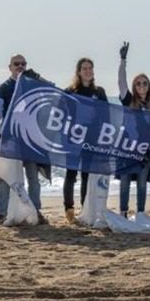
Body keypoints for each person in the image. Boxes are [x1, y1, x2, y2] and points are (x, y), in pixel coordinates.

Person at [0, 54, 49, 225]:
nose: (20, 66)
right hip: (10, 138)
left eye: (23, 64)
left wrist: (37, 77)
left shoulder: (33, 85)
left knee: (33, 178)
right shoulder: (4, 88)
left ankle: (36, 211)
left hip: (31, 139)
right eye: (16, 64)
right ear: (10, 67)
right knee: (6, 178)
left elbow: (52, 90)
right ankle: (2, 213)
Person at [62, 57, 108, 223]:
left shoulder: (99, 92)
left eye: (90, 68)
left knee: (87, 176)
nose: (88, 71)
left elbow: (106, 117)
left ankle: (85, 209)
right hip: (73, 140)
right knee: (71, 174)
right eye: (84, 68)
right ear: (79, 72)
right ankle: (69, 209)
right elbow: (61, 113)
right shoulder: (70, 92)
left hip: (92, 140)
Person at [117, 42, 150, 218]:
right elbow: (121, 82)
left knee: (142, 183)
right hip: (126, 149)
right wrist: (123, 60)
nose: (142, 86)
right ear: (135, 86)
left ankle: (140, 213)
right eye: (138, 84)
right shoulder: (128, 101)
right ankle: (124, 212)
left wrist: (149, 150)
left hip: (145, 152)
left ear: (149, 86)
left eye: (145, 83)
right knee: (125, 183)